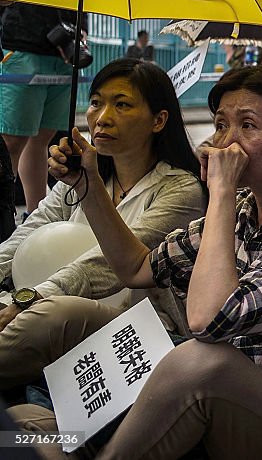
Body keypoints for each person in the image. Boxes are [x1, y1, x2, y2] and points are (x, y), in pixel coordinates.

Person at [14, 64, 262, 459]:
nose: (227, 143)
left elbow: (208, 322)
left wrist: (222, 192)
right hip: (213, 400)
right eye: (222, 125)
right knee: (63, 315)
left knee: (201, 358)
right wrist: (87, 187)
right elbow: (137, 268)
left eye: (248, 126)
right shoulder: (243, 211)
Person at [0, 59, 205, 390]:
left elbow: (104, 267)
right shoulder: (80, 174)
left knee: (52, 314)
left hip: (135, 326)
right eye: (96, 102)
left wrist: (27, 299)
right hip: (50, 303)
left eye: (122, 104)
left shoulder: (181, 189)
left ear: (159, 120)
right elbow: (30, 231)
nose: (102, 117)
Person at [0, 0, 84, 212]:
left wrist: (81, 30)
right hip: (23, 44)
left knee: (42, 139)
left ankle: (33, 215)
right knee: (11, 141)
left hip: (64, 48)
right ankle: (4, 215)